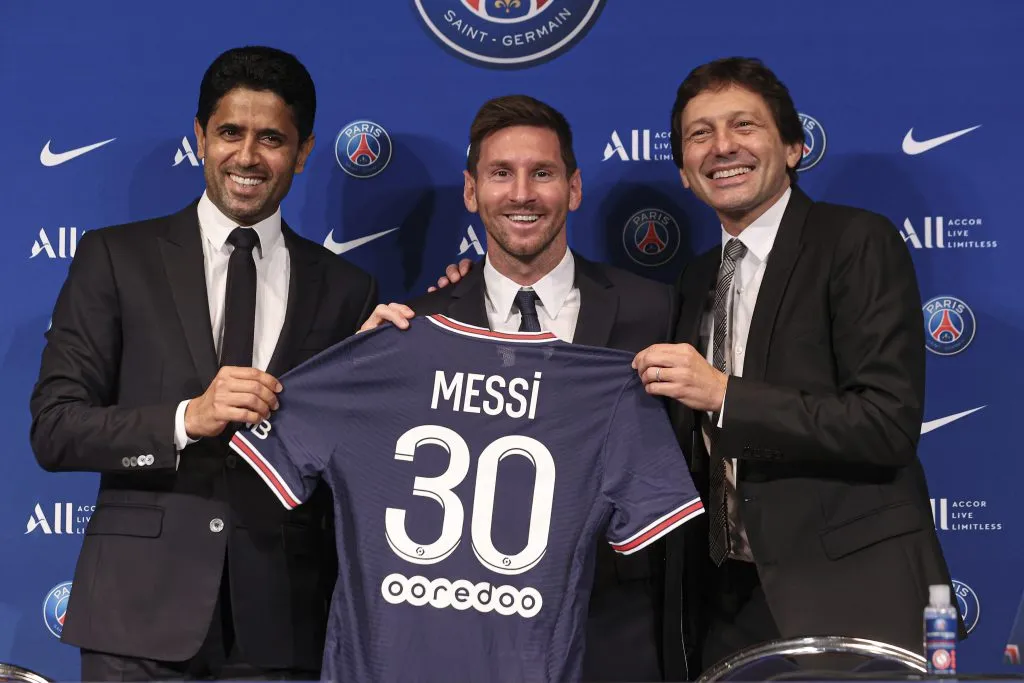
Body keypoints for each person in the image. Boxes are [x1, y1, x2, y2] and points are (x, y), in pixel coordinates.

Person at [30, 46, 377, 681]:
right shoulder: (116, 258)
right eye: (230, 133)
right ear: (199, 138)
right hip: (136, 621)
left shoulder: (348, 289)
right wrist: (188, 418)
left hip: (280, 628)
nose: (247, 157)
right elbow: (55, 429)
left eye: (272, 138)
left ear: (302, 152)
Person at [632, 56, 960, 673]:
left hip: (852, 596)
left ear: (794, 146)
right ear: (683, 171)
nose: (722, 147)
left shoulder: (857, 242)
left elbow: (885, 423)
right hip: (729, 604)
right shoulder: (696, 276)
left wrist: (726, 394)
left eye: (744, 126)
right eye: (700, 134)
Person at [362, 95, 678, 682]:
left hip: (614, 629)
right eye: (500, 173)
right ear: (470, 191)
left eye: (543, 173)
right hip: (463, 631)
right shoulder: (417, 327)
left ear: (575, 187)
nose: (523, 193)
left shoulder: (653, 308)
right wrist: (367, 368)